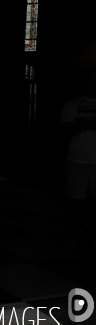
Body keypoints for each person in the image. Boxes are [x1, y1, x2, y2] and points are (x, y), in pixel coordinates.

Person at [59, 68, 96, 247]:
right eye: (90, 80)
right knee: (77, 199)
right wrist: (89, 124)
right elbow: (64, 130)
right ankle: (78, 231)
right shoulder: (72, 104)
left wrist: (84, 124)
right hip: (78, 159)